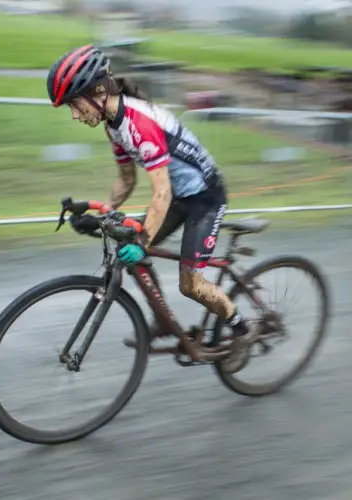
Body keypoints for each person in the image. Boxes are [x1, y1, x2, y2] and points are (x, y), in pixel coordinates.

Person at [47, 44, 259, 359]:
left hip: (204, 198)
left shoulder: (137, 124)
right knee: (129, 252)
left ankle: (242, 330)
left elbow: (161, 192)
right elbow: (126, 180)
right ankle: (163, 321)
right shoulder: (113, 125)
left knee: (191, 285)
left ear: (99, 92)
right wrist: (99, 210)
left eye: (75, 105)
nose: (76, 115)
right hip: (177, 196)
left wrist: (143, 240)